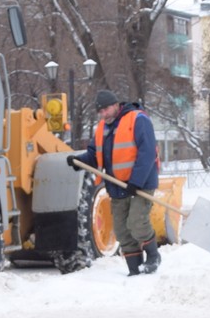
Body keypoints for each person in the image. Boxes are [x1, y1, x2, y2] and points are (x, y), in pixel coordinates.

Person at [69, 89, 162, 275]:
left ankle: (153, 256)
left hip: (140, 184)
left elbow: (147, 152)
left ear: (116, 105)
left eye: (106, 110)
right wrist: (79, 161)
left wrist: (136, 181)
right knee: (121, 230)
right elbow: (95, 154)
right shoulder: (102, 128)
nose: (103, 115)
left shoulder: (138, 119)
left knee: (137, 222)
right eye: (100, 112)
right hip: (117, 186)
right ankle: (134, 269)